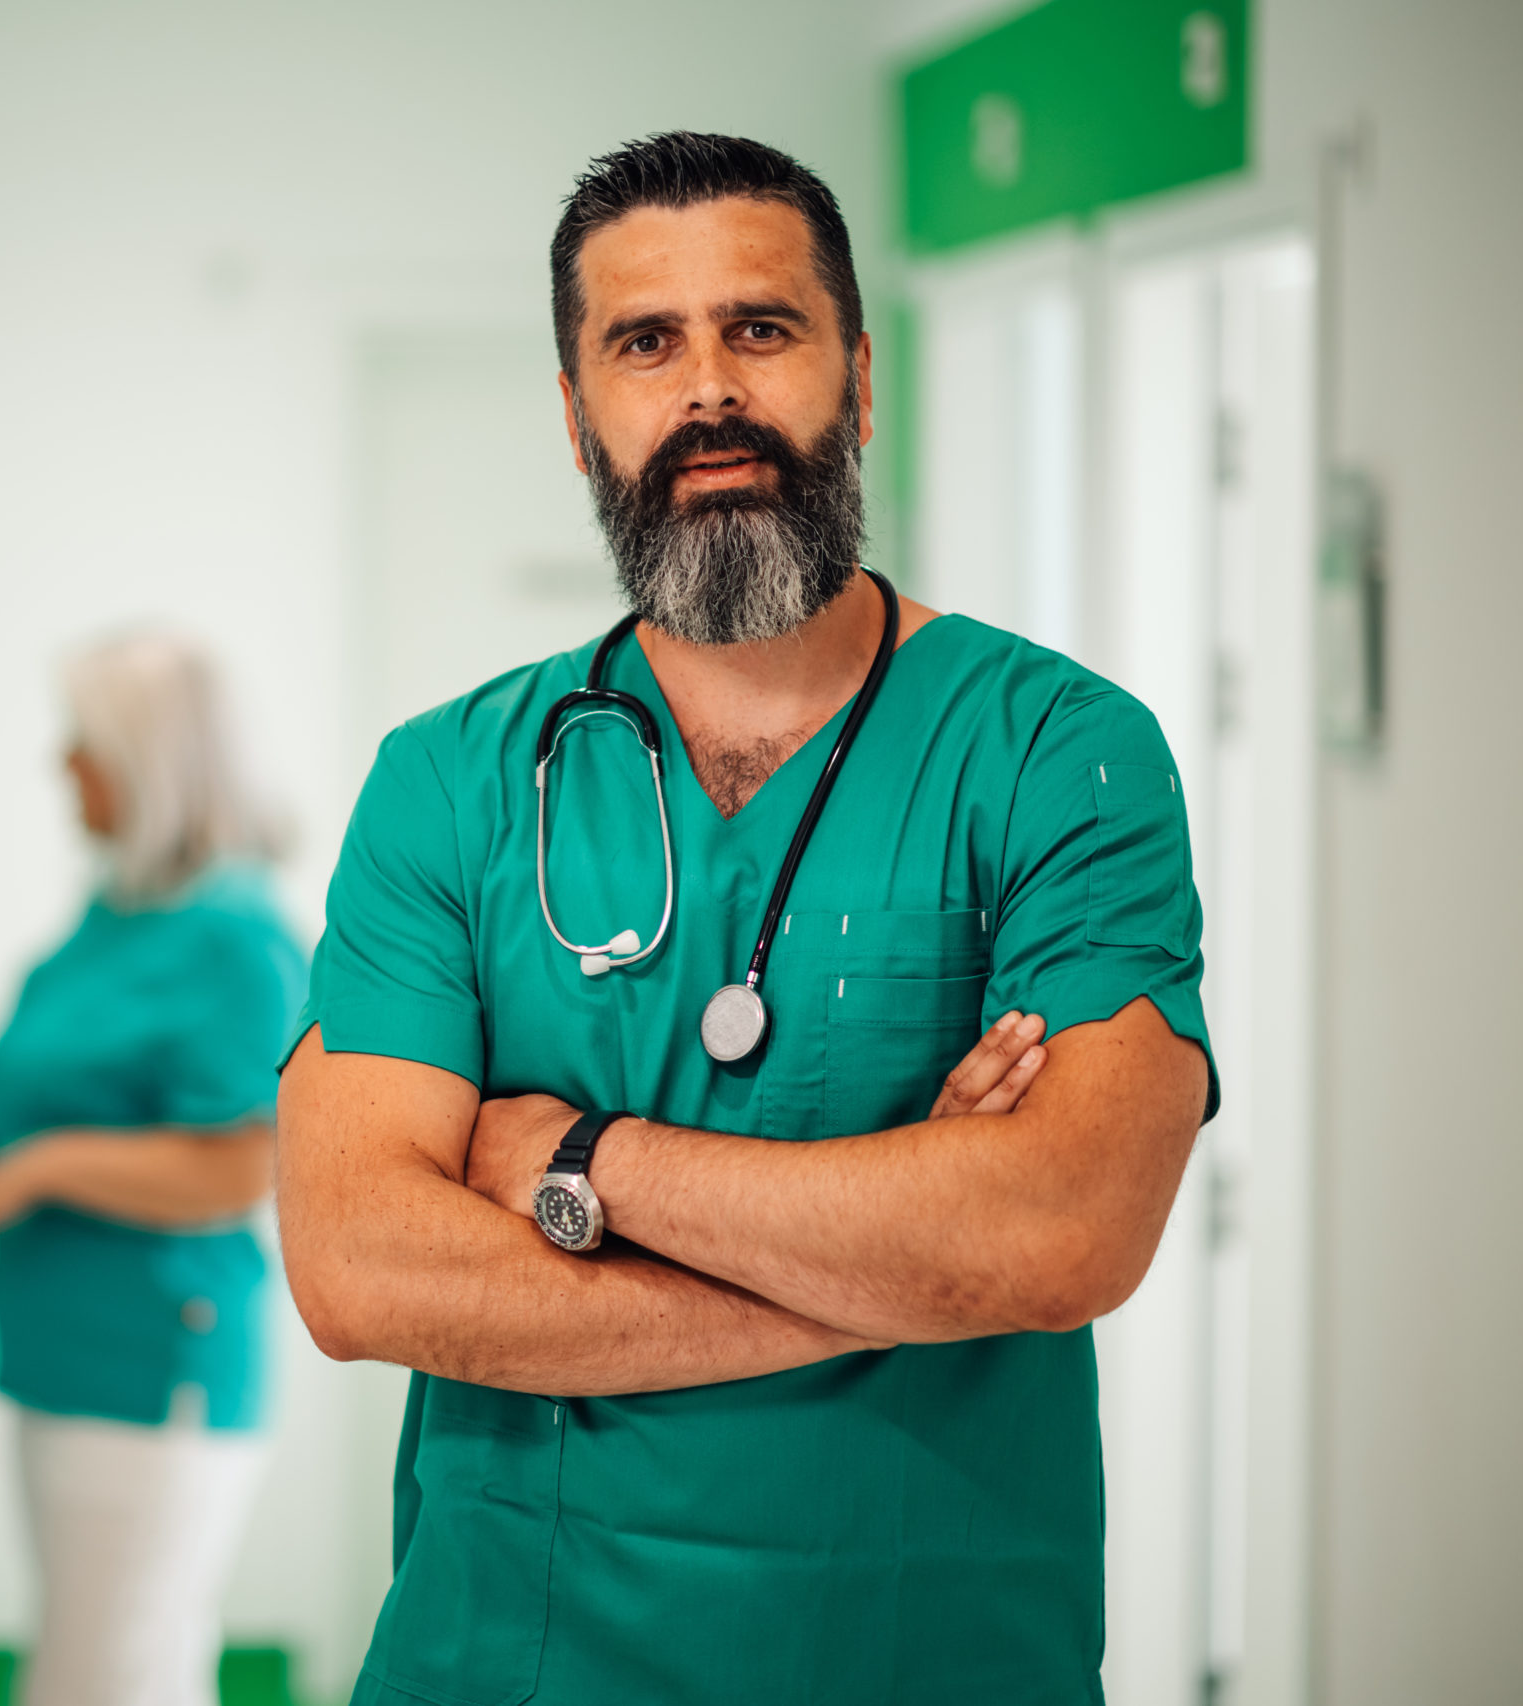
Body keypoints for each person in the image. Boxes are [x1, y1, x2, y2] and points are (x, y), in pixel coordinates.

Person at [278, 133, 1217, 1703]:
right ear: (579, 423)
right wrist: (893, 1268)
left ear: (858, 380)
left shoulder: (1059, 751)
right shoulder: (448, 785)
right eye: (646, 343)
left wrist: (577, 1163)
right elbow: (362, 1269)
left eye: (761, 330)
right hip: (508, 1657)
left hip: (930, 1656)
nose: (709, 391)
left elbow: (1062, 1228)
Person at [0, 633, 302, 1706]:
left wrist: (32, 1170)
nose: (59, 764)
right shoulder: (110, 918)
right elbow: (52, 1097)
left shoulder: (237, 938)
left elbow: (239, 1166)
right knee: (98, 1659)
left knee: (110, 1671)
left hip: (152, 1362)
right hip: (64, 1357)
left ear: (146, 760)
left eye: (82, 741)